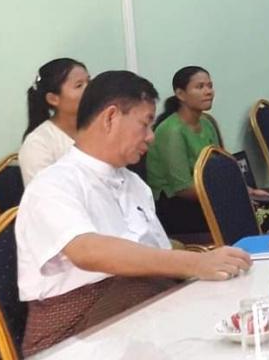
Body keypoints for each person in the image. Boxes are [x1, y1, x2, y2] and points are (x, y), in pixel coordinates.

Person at [16, 70, 251, 355]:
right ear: (111, 117)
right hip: (74, 336)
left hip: (137, 311)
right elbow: (88, 251)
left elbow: (158, 257)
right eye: (145, 124)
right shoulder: (53, 184)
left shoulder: (134, 184)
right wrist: (194, 263)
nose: (151, 137)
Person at [145, 67, 269, 235]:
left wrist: (248, 191)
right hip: (176, 206)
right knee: (246, 216)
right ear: (181, 94)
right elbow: (183, 188)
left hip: (207, 195)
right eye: (200, 87)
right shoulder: (171, 131)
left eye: (210, 86)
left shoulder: (206, 123)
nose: (208, 92)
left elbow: (220, 168)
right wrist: (233, 196)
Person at [20, 58, 89, 184]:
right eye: (79, 85)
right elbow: (44, 192)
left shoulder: (98, 127)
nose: (90, 89)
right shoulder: (38, 144)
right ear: (53, 99)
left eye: (89, 81)